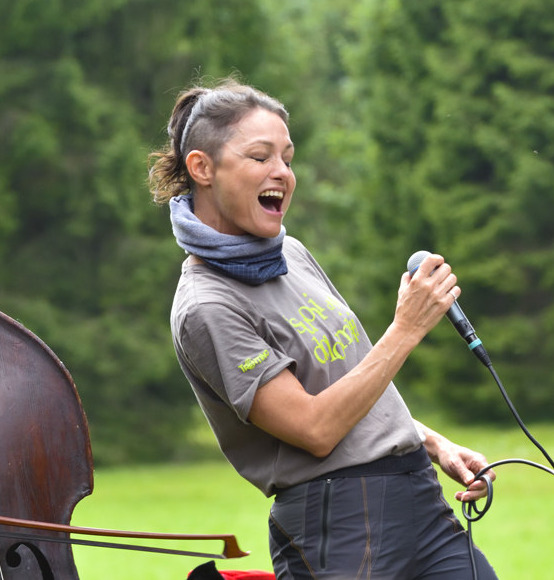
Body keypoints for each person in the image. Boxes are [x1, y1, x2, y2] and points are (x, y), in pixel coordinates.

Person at [148, 79, 498, 579]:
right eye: (260, 157)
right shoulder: (207, 305)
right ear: (202, 168)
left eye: (287, 158)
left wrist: (431, 443)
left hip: (418, 496)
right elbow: (314, 428)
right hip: (340, 517)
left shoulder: (290, 254)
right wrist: (406, 329)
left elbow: (350, 383)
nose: (282, 174)